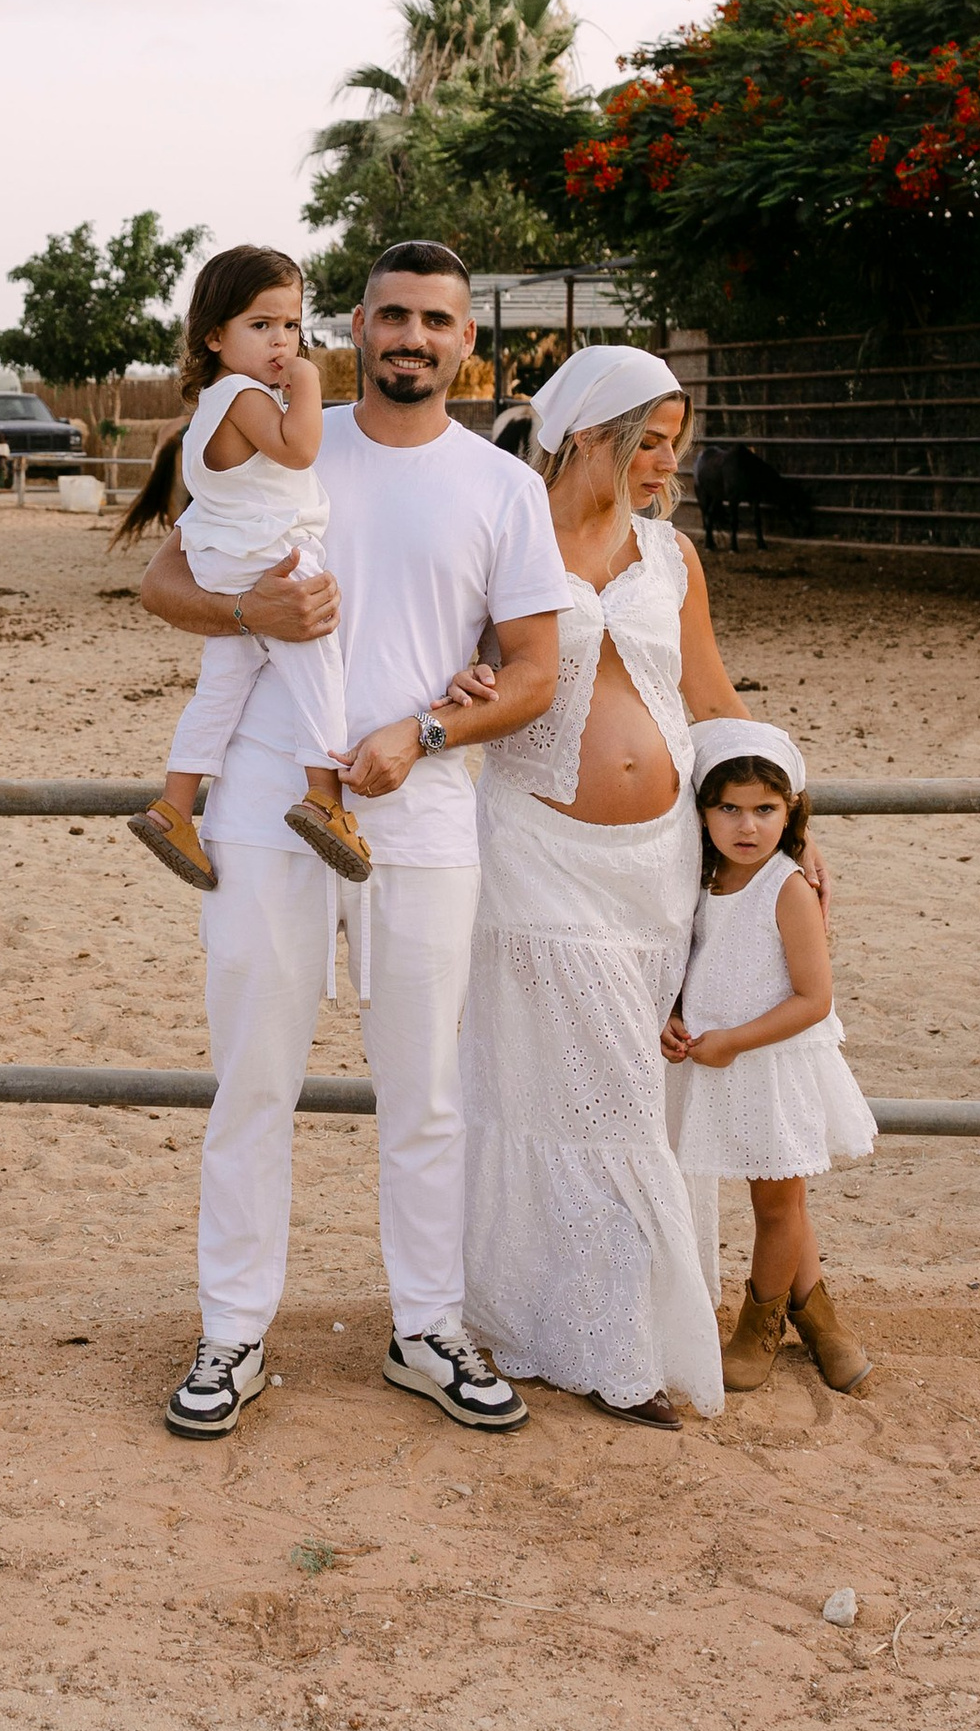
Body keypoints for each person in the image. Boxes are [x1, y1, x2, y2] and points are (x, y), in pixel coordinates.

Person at [132, 242, 567, 1441]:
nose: (411, 337)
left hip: (420, 819)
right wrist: (247, 610)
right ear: (355, 330)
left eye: (435, 320)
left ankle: (426, 1329)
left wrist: (427, 731)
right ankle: (231, 1332)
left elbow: (534, 670)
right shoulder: (277, 438)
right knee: (253, 1082)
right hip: (264, 809)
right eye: (390, 316)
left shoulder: (501, 487)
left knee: (425, 1092)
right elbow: (162, 582)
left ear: (465, 340)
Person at [453, 347, 759, 1428]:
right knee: (584, 1095)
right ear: (590, 434)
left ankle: (596, 1324)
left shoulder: (670, 555)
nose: (669, 462)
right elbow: (452, 667)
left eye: (676, 442)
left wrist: (786, 815)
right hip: (537, 856)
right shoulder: (504, 534)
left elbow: (710, 694)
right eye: (651, 441)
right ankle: (616, 1349)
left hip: (657, 870)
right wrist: (462, 680)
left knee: (636, 1091)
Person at [128, 245, 371, 896]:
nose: (281, 342)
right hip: (275, 556)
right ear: (215, 335)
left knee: (220, 690)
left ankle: (175, 806)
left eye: (291, 325)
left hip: (227, 563)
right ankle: (324, 798)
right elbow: (300, 449)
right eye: (261, 325)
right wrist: (310, 382)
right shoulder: (243, 395)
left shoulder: (208, 406)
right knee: (319, 671)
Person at [665, 724, 875, 1395]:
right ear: (702, 812)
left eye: (764, 809)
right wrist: (674, 1016)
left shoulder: (786, 887)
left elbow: (814, 998)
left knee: (778, 1205)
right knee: (777, 1192)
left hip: (772, 1066)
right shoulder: (699, 880)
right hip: (716, 1062)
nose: (746, 826)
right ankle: (819, 1316)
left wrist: (733, 1039)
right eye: (728, 808)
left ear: (791, 813)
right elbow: (692, 964)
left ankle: (761, 1322)